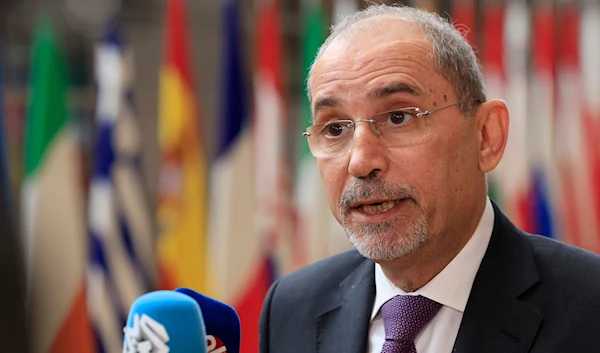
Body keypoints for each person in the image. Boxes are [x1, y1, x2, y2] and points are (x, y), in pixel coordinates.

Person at [259, 4, 600, 353]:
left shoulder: (590, 307)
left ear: (486, 136)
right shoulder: (290, 308)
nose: (361, 162)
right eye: (335, 128)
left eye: (398, 117)